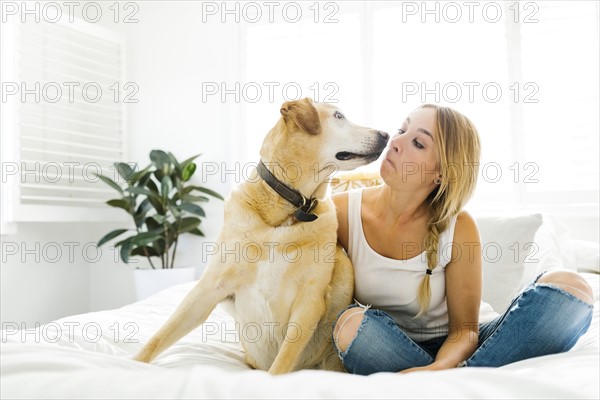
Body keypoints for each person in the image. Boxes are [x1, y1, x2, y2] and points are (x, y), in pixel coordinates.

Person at [331, 104, 594, 375]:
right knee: (350, 325)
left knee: (571, 286)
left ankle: (443, 380)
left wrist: (440, 368)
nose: (395, 142)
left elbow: (464, 332)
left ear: (442, 172)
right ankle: (462, 380)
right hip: (389, 343)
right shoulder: (340, 212)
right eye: (401, 129)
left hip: (468, 344)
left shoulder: (458, 226)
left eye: (418, 143)